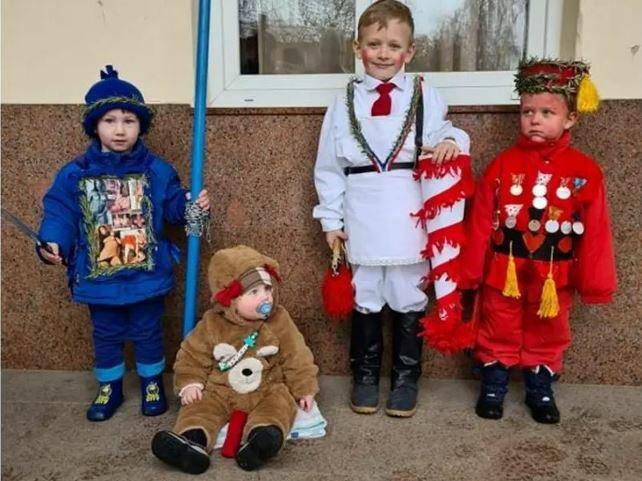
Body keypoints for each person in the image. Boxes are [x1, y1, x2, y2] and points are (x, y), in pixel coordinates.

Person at [313, 0, 470, 418]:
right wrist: (331, 219)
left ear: (410, 51)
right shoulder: (342, 100)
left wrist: (454, 139)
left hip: (408, 208)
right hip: (362, 209)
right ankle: (364, 376)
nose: (383, 53)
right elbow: (328, 166)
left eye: (393, 45)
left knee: (406, 293)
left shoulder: (424, 94)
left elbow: (443, 130)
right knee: (366, 294)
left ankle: (406, 378)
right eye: (374, 44)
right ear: (357, 47)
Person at [37, 65, 210, 422]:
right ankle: (109, 386)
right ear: (95, 126)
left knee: (148, 330)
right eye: (110, 121)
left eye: (129, 120)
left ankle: (151, 382)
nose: (119, 129)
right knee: (106, 333)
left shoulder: (157, 171)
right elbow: (61, 213)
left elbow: (172, 207)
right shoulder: (75, 174)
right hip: (101, 278)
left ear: (140, 126)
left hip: (146, 275)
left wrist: (189, 205)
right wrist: (52, 241)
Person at [460, 58, 616, 424]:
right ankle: (494, 384)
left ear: (570, 118)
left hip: (554, 273)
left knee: (549, 326)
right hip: (504, 269)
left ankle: (540, 389)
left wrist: (594, 280)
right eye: (528, 111)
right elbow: (481, 220)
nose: (535, 119)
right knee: (497, 322)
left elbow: (596, 231)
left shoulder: (585, 172)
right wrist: (470, 271)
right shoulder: (501, 165)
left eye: (547, 112)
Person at [151, 245, 319, 474]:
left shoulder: (279, 320)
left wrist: (304, 388)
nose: (266, 297)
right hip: (221, 389)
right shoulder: (212, 323)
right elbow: (192, 354)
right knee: (200, 407)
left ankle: (262, 439)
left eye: (267, 288)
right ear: (230, 300)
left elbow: (296, 355)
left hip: (266, 387)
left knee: (280, 404)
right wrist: (190, 382)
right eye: (254, 292)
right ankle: (191, 441)